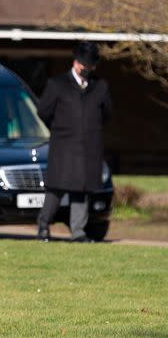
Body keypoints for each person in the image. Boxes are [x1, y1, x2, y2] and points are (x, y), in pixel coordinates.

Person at [36, 41, 112, 242]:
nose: (87, 69)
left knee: (82, 190)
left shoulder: (100, 87)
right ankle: (44, 226)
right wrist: (62, 129)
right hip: (64, 146)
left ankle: (78, 232)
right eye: (85, 65)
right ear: (76, 63)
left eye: (91, 66)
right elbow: (44, 111)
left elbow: (106, 113)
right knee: (56, 189)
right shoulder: (57, 84)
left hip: (88, 147)